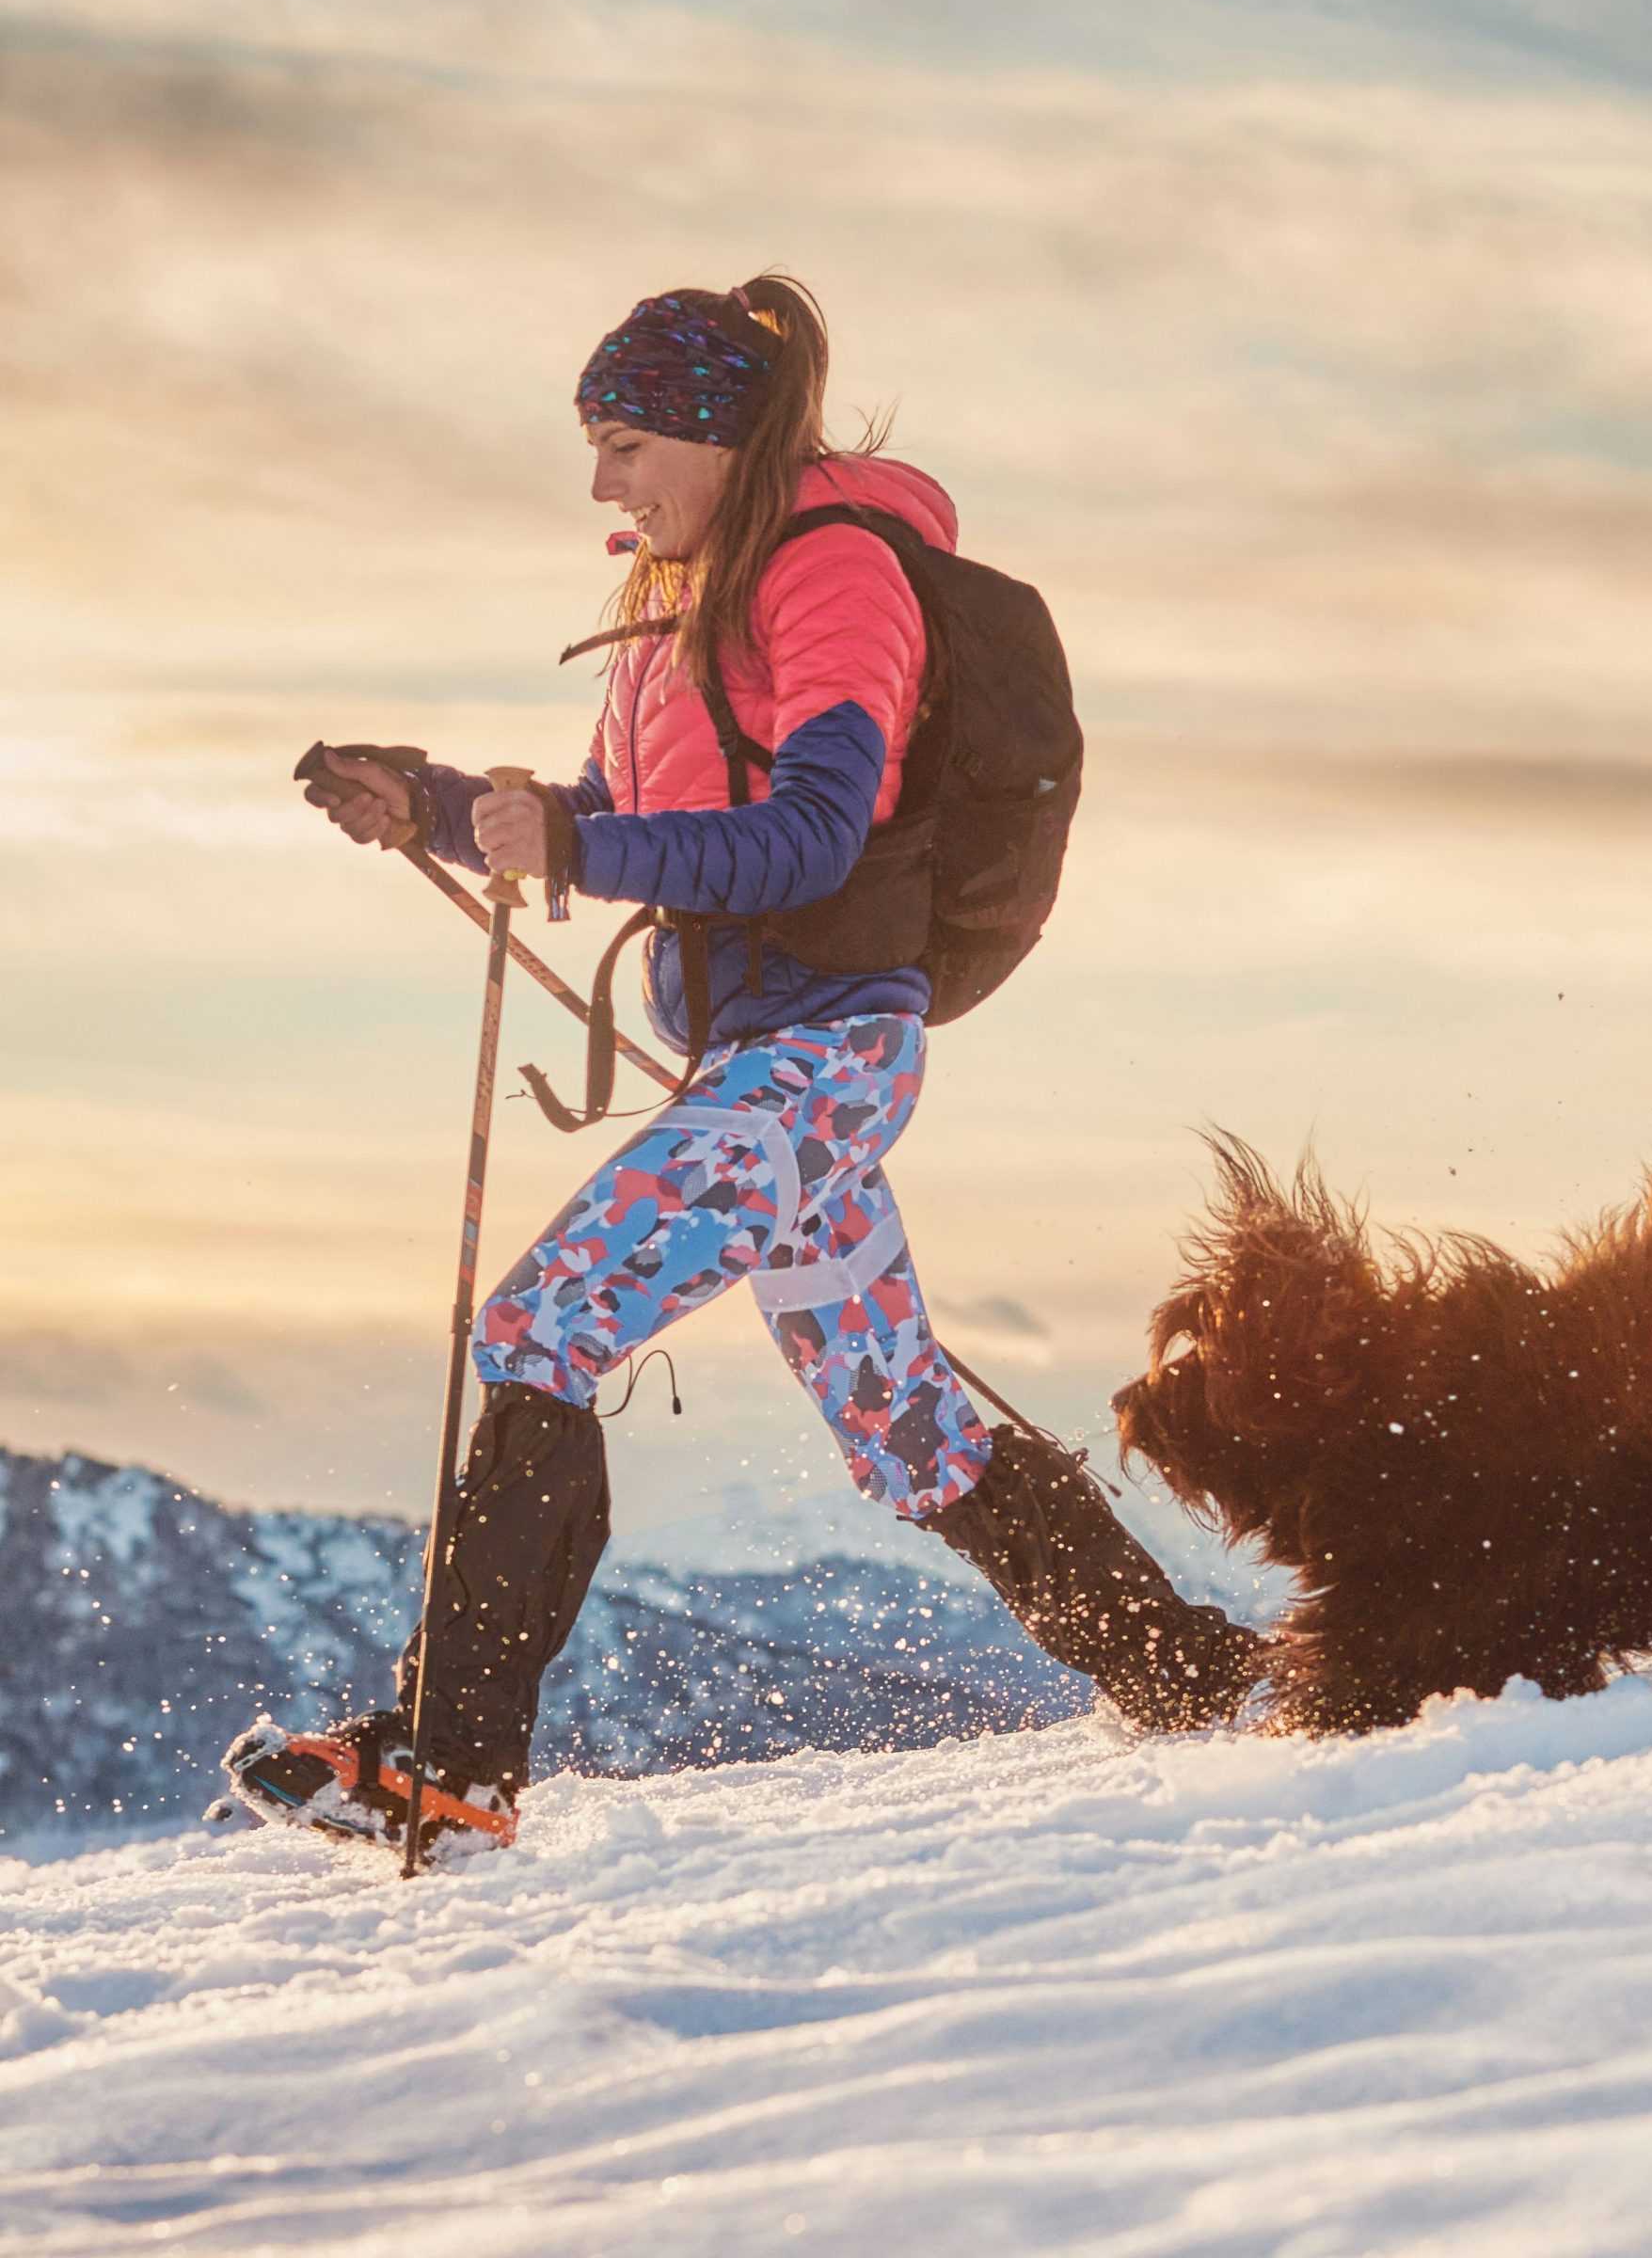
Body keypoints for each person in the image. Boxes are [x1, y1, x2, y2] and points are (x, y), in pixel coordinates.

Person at [230, 275, 1264, 1854]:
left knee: (541, 1322)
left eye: (627, 442)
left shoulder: (837, 574)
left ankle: (453, 1759)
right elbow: (606, 812)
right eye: (596, 444)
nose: (603, 483)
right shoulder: (674, 600)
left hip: (825, 1055)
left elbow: (811, 832)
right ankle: (1198, 1677)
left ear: (721, 436)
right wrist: (428, 804)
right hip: (757, 1064)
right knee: (903, 1422)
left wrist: (572, 833)